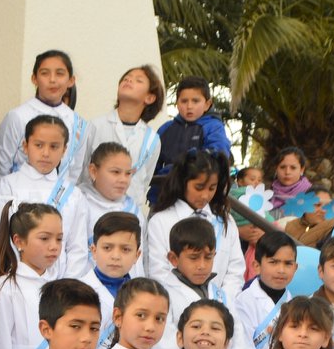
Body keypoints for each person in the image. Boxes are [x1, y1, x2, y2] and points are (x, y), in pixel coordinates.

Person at [144, 148, 243, 295]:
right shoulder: (161, 221)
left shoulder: (225, 220)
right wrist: (192, 303)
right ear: (183, 182)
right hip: (176, 308)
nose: (205, 195)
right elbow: (158, 272)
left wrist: (220, 301)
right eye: (199, 187)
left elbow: (235, 270)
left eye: (212, 188)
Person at [0, 203, 65, 349]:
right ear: (19, 241)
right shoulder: (4, 287)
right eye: (44, 238)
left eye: (59, 239)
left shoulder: (61, 288)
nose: (54, 246)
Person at [0, 117, 78, 255]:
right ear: (25, 146)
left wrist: (67, 278)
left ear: (64, 150)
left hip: (61, 275)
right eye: (38, 145)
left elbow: (76, 248)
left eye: (54, 147)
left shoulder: (74, 194)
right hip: (16, 272)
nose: (46, 153)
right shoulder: (7, 185)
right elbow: (0, 236)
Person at [82, 64, 164, 204]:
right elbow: (81, 169)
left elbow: (144, 181)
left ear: (150, 98)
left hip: (128, 212)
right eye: (126, 78)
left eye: (138, 80)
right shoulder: (95, 126)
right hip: (91, 204)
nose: (129, 81)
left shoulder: (152, 140)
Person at [149, 217, 224, 349]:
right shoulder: (163, 297)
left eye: (208, 257)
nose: (202, 265)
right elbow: (167, 348)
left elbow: (237, 347)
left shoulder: (222, 296)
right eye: (194, 258)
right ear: (173, 259)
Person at [0, 50, 79, 178]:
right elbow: (1, 165)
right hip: (19, 194)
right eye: (45, 73)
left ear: (71, 80)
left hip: (61, 197)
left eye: (60, 74)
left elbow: (76, 171)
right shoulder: (17, 116)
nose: (52, 80)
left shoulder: (78, 123)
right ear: (34, 79)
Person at [150, 76, 231, 201]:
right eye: (184, 101)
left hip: (196, 200)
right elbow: (151, 164)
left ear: (207, 104)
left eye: (195, 101)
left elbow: (217, 157)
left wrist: (177, 169)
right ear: (177, 103)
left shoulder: (214, 127)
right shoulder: (165, 129)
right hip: (162, 197)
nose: (189, 106)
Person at [67, 141, 139, 278]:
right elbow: (74, 252)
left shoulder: (133, 209)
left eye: (128, 173)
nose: (123, 179)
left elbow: (139, 263)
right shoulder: (78, 201)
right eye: (116, 172)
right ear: (93, 171)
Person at [227, 230, 298, 349]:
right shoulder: (243, 302)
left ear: (296, 268)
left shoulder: (295, 305)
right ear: (256, 266)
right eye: (273, 262)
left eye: (288, 263)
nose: (281, 270)